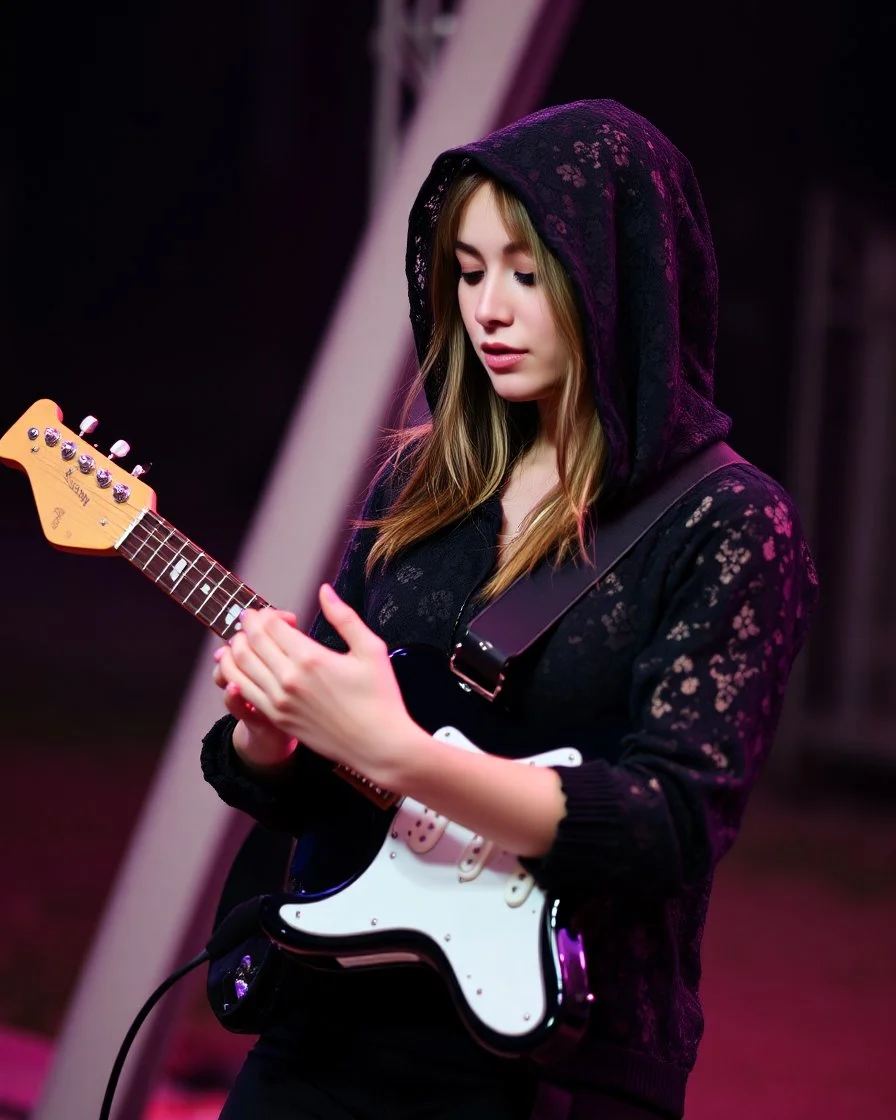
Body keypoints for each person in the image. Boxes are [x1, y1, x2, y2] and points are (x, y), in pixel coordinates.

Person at [200, 99, 819, 1120]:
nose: (486, 307)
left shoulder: (731, 522)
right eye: (468, 269)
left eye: (526, 274)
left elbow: (667, 825)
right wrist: (273, 738)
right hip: (324, 1034)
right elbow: (317, 782)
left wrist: (401, 754)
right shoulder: (425, 486)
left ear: (622, 282)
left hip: (546, 1069)